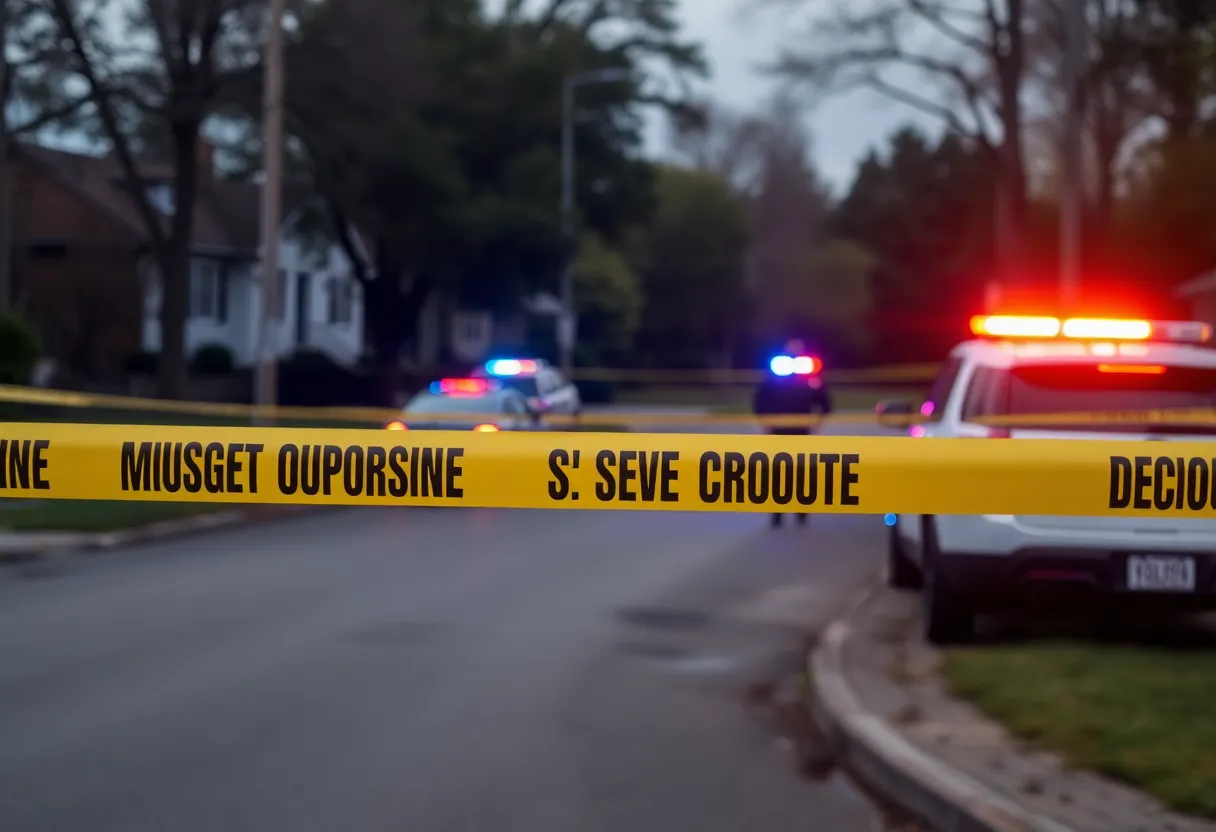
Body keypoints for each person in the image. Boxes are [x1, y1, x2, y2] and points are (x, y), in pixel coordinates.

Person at [753, 338, 833, 527]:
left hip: (801, 431)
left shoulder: (811, 378)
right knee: (776, 471)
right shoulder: (775, 375)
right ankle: (777, 512)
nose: (794, 356)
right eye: (790, 351)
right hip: (778, 430)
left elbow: (825, 403)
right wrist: (765, 422)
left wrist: (817, 421)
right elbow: (760, 400)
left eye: (797, 352)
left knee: (801, 471)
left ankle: (801, 510)